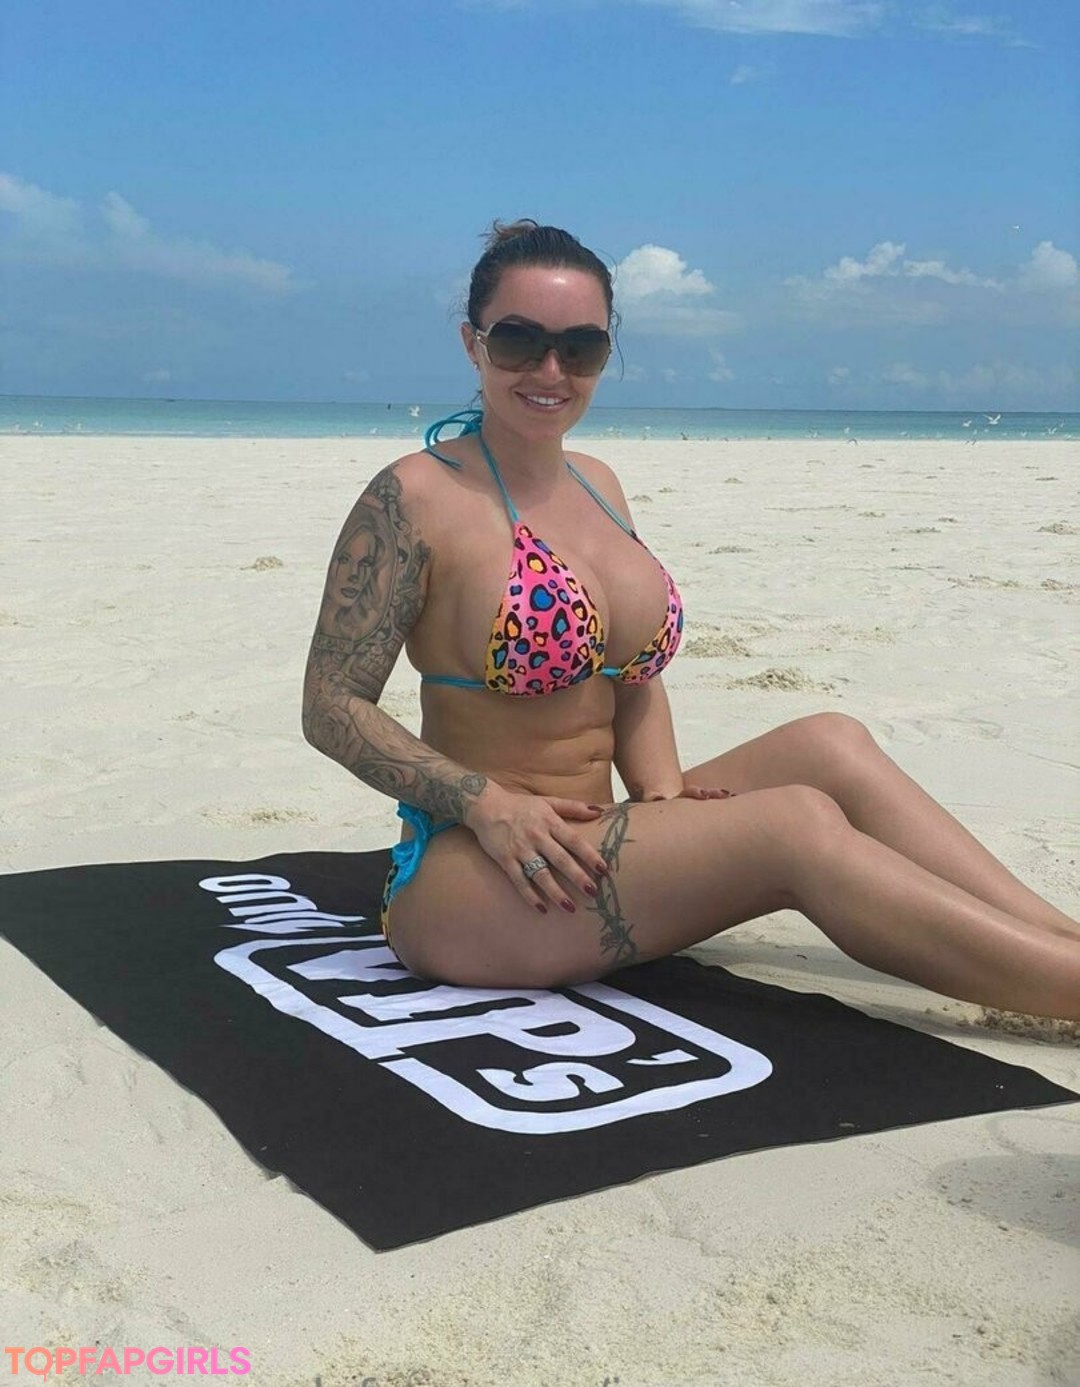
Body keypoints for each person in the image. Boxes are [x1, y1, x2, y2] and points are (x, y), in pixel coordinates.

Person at [302, 219, 1080, 1020]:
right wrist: (484, 804)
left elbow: (629, 674)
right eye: (519, 341)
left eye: (581, 347)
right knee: (794, 825)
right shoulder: (414, 496)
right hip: (482, 871)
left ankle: (1060, 938)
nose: (550, 369)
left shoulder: (597, 482)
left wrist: (664, 793)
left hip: (599, 837)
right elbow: (329, 704)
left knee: (831, 743)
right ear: (473, 344)